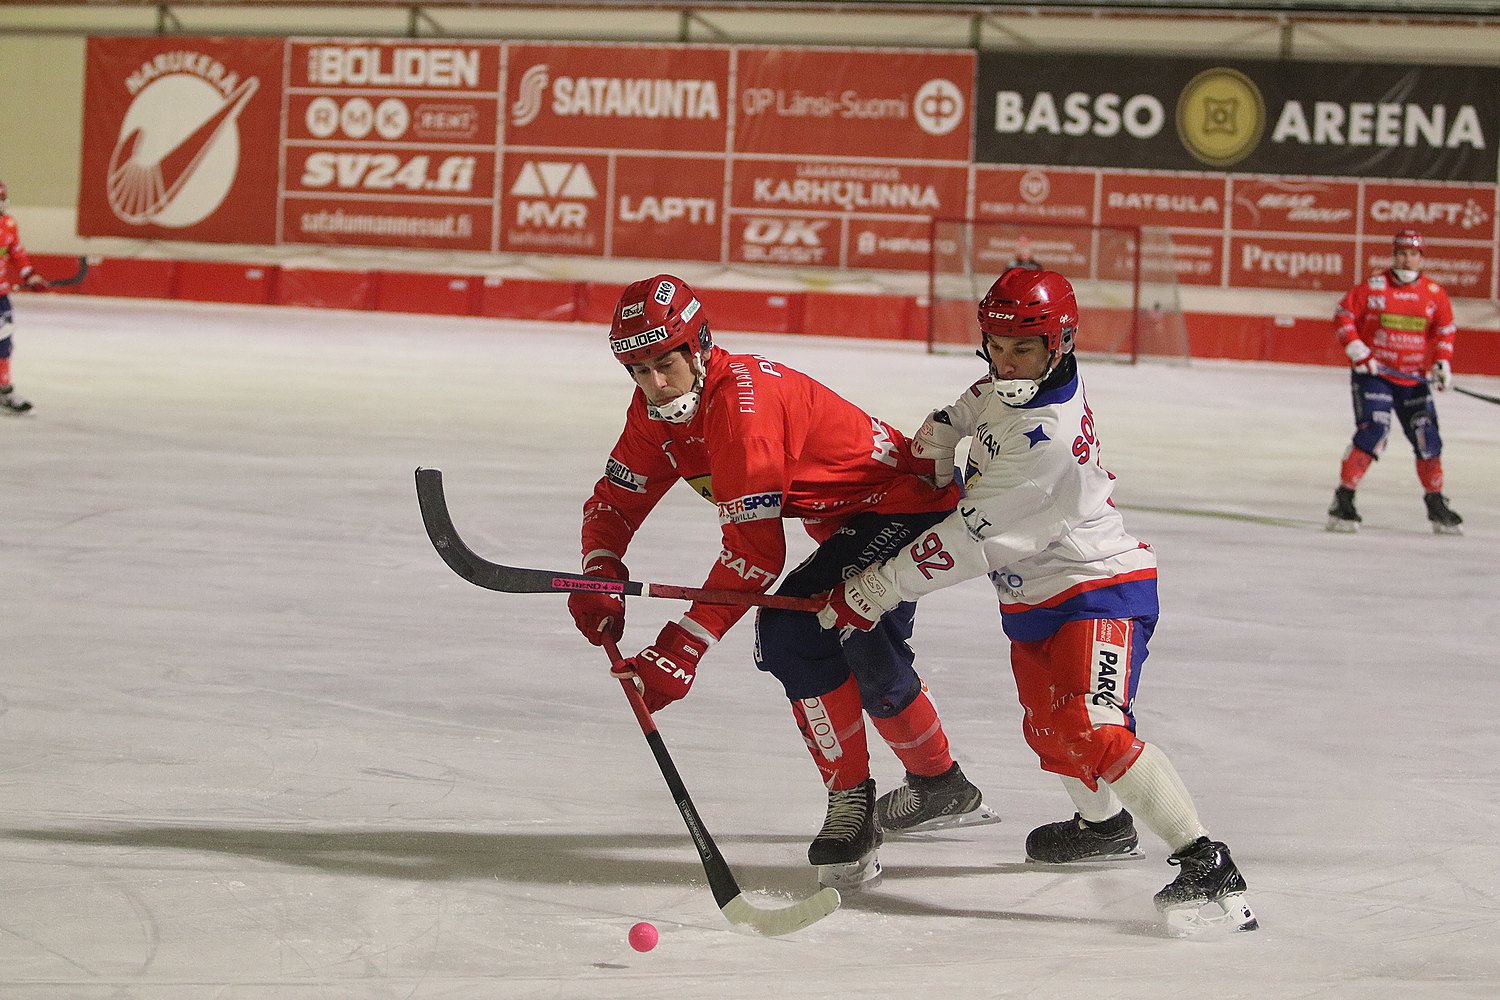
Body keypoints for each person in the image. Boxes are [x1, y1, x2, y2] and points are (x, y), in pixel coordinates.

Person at [818, 268, 1257, 935]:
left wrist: (872, 590)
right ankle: (1102, 827)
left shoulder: (1046, 438)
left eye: (1022, 347)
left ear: (1060, 342)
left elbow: (967, 541)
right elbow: (971, 405)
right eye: (994, 343)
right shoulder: (1010, 381)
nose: (1004, 359)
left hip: (1096, 589)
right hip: (1035, 598)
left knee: (1093, 724)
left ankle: (1205, 860)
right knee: (1049, 732)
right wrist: (940, 433)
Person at [566, 274, 997, 890]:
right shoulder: (654, 415)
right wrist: (600, 570)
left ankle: (852, 809)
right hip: (853, 520)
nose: (656, 384)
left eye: (666, 362)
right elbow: (611, 505)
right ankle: (940, 784)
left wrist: (682, 648)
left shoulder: (741, 409)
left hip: (902, 507)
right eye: (638, 368)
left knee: (796, 629)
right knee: (864, 644)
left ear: (700, 346)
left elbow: (755, 556)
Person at [1327, 227, 1461, 535]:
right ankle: (1343, 499)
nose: (1407, 259)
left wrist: (1442, 363)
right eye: (1401, 253)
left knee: (1427, 436)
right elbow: (1343, 314)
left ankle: (1435, 501)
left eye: (1413, 254)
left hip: (1412, 380)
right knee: (1374, 431)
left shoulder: (1434, 295)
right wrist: (1356, 349)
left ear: (1421, 257)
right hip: (1375, 376)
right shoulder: (1374, 287)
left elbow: (1444, 331)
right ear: (1393, 254)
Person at [0, 180, 47, 414]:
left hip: (1, 296)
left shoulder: (8, 225)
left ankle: (4, 390)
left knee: (4, 342)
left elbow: (17, 253)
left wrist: (30, 275)